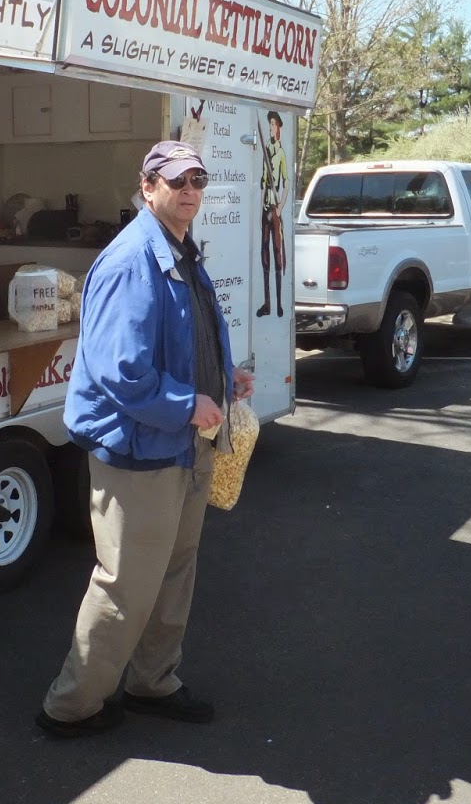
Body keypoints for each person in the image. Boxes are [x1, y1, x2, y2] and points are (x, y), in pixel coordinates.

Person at [37, 140, 255, 739]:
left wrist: (222, 378)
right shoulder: (132, 259)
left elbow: (184, 340)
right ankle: (72, 705)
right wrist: (190, 403)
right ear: (148, 184)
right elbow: (121, 371)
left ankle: (152, 682)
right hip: (140, 453)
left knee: (173, 573)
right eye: (177, 180)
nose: (189, 190)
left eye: (198, 180)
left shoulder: (180, 251)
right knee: (125, 584)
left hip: (184, 448)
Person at [256, 110, 288, 318]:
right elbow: (262, 182)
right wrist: (262, 207)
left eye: (273, 124)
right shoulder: (266, 149)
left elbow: (286, 184)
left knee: (277, 253)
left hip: (275, 208)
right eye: (269, 124)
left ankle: (278, 304)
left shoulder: (281, 153)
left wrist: (280, 207)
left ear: (278, 127)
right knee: (264, 255)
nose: (270, 127)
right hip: (266, 206)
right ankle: (267, 304)